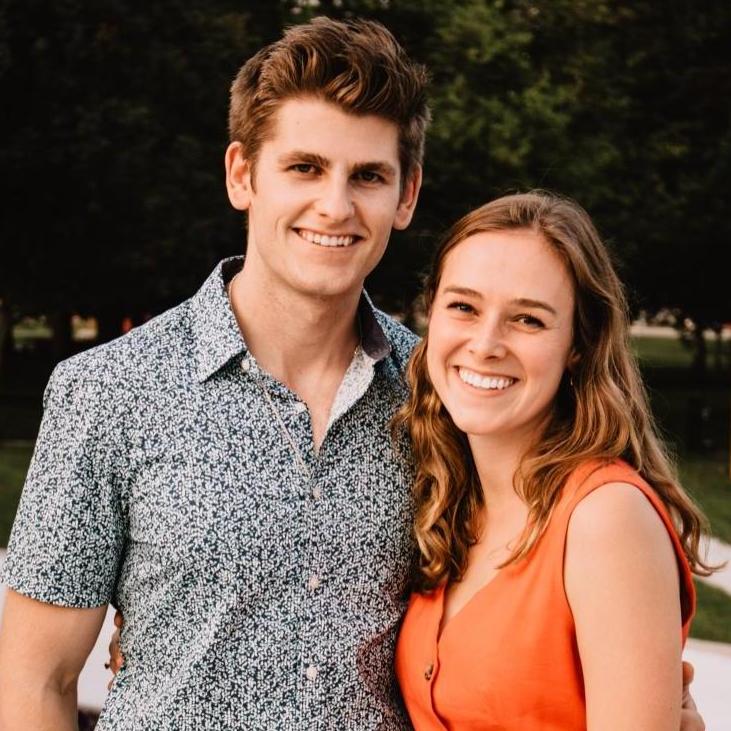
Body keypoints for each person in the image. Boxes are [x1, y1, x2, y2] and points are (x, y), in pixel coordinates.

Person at [0, 17, 705, 731]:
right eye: (304, 168)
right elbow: (34, 679)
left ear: (406, 195)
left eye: (367, 176)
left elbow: (530, 586)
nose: (335, 206)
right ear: (242, 174)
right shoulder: (108, 393)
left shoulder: (441, 396)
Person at [393, 191, 713, 729]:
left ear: (579, 345)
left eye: (528, 320)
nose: (485, 344)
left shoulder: (604, 519)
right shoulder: (451, 499)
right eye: (464, 307)